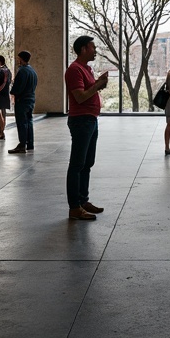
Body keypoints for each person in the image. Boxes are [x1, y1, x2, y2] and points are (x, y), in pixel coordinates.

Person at [65, 35, 109, 220]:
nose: (95, 50)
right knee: (77, 164)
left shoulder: (86, 69)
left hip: (90, 120)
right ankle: (75, 207)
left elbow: (88, 92)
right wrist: (98, 84)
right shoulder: (74, 70)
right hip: (81, 121)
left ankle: (83, 201)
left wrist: (98, 84)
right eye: (92, 47)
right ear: (83, 49)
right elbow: (80, 97)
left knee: (87, 163)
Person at [8, 50, 38, 154]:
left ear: (21, 59)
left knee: (21, 123)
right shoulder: (32, 71)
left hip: (22, 100)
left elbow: (18, 87)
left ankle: (22, 145)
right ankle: (30, 144)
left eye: (18, 58)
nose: (17, 60)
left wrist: (13, 91)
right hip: (31, 99)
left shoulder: (22, 71)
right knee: (29, 121)